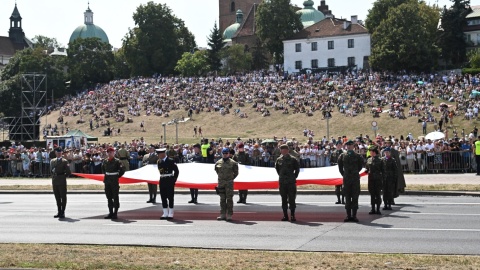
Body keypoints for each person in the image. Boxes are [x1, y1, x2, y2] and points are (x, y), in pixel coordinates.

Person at [337, 140, 363, 222]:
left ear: (353, 146)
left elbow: (360, 166)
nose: (348, 146)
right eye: (347, 145)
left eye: (350, 145)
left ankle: (354, 216)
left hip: (355, 179)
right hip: (347, 179)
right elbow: (340, 167)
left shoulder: (358, 156)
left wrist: (354, 173)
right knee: (347, 197)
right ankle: (348, 215)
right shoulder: (342, 156)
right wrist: (345, 174)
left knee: (355, 197)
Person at [275, 144, 300, 222]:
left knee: (292, 199)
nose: (284, 151)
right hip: (282, 183)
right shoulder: (279, 160)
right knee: (284, 199)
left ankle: (292, 215)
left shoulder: (293, 159)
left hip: (291, 182)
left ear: (288, 150)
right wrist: (282, 177)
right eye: (282, 150)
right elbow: (277, 170)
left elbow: (297, 169)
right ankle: (285, 215)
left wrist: (293, 177)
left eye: (285, 150)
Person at [214, 147, 239, 221]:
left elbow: (236, 173)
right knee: (222, 199)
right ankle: (222, 214)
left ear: (229, 154)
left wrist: (230, 179)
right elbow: (217, 171)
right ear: (222, 154)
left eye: (226, 153)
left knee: (229, 199)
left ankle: (229, 215)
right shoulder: (218, 162)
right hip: (221, 183)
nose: (225, 155)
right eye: (223, 153)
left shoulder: (233, 163)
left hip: (229, 183)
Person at [102, 147, 125, 220]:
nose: (109, 153)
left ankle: (115, 213)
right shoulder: (105, 161)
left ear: (114, 153)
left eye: (111, 152)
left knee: (115, 197)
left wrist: (117, 176)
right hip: (107, 180)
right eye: (108, 152)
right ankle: (110, 212)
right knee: (108, 197)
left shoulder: (117, 161)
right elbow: (103, 169)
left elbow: (122, 170)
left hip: (114, 181)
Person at [157, 148, 179, 220]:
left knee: (170, 196)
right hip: (162, 180)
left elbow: (176, 171)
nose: (158, 156)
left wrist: (174, 179)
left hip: (169, 179)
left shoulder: (170, 161)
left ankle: (171, 213)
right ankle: (165, 212)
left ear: (163, 154)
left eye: (159, 154)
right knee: (163, 196)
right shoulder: (159, 161)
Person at [50, 147, 71, 218]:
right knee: (57, 197)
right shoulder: (53, 161)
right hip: (55, 181)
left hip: (61, 181)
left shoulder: (64, 161)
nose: (58, 154)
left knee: (63, 197)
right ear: (55, 153)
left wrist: (62, 176)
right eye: (57, 152)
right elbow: (51, 171)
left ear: (61, 153)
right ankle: (59, 211)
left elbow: (68, 172)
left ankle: (63, 212)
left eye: (60, 153)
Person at [384, 138, 406, 204]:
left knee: (393, 187)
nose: (387, 144)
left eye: (388, 143)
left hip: (392, 173)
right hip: (385, 173)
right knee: (386, 188)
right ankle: (387, 200)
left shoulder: (394, 152)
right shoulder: (383, 151)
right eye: (386, 143)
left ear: (390, 144)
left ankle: (392, 199)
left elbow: (397, 163)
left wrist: (397, 173)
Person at [365, 146, 384, 215]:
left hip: (378, 179)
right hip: (371, 180)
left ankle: (378, 209)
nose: (370, 153)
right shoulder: (369, 160)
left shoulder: (380, 160)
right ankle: (373, 209)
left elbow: (383, 170)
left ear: (374, 152)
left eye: (370, 151)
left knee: (378, 194)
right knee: (372, 195)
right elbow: (367, 169)